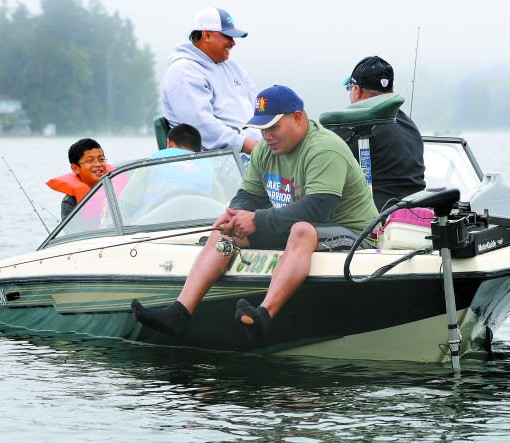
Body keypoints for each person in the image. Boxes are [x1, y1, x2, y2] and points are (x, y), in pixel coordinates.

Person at [131, 85, 378, 345]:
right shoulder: (265, 149)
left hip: (355, 234)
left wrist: (257, 220)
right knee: (225, 233)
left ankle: (263, 316)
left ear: (297, 117)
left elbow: (319, 209)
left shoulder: (324, 148)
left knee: (302, 230)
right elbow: (248, 195)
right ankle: (179, 312)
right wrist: (233, 216)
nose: (267, 136)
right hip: (300, 230)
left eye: (273, 127)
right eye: (262, 129)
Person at [160, 7, 261, 155]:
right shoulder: (183, 71)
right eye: (228, 36)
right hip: (218, 157)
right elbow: (201, 125)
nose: (233, 43)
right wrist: (244, 144)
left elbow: (258, 106)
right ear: (206, 35)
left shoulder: (232, 66)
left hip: (253, 152)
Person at [333, 55, 426, 211]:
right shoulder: (409, 124)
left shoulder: (353, 125)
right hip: (416, 213)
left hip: (375, 220)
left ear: (357, 91)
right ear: (391, 90)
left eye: (350, 88)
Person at [46, 138, 109, 220]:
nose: (98, 164)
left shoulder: (112, 188)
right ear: (75, 168)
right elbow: (72, 230)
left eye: (101, 159)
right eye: (90, 160)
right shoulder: (70, 202)